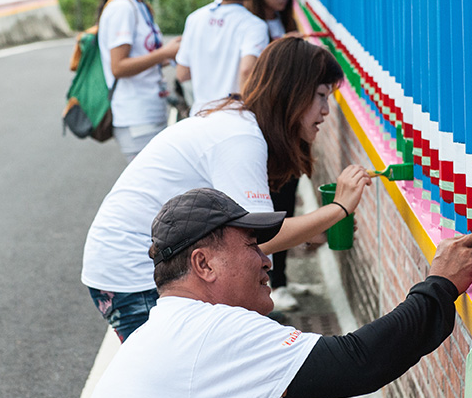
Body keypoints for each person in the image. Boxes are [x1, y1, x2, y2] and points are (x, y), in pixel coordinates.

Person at [79, 188, 472, 398]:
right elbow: (358, 364)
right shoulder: (209, 330)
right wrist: (440, 285)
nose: (267, 260)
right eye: (252, 246)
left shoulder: (163, 328)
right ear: (203, 264)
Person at [82, 37, 368, 341]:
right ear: (293, 92)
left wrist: (311, 234)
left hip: (138, 265)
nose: (326, 110)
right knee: (180, 379)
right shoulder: (241, 139)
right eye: (321, 95)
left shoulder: (239, 120)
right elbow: (256, 239)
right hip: (135, 271)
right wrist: (338, 209)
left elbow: (247, 236)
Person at [245, 0, 301, 310]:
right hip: (268, 128)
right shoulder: (252, 28)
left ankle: (279, 279)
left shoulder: (281, 20)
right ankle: (268, 283)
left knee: (287, 200)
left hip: (286, 125)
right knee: (269, 208)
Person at [97, 0, 181, 162]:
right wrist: (163, 53)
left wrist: (169, 56)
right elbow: (118, 66)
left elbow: (143, 57)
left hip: (149, 112)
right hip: (136, 117)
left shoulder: (140, 6)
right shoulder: (123, 7)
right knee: (151, 193)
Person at [175, 0, 269, 115]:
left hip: (200, 116)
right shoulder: (254, 25)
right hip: (233, 116)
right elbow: (247, 70)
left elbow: (182, 73)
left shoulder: (195, 18)